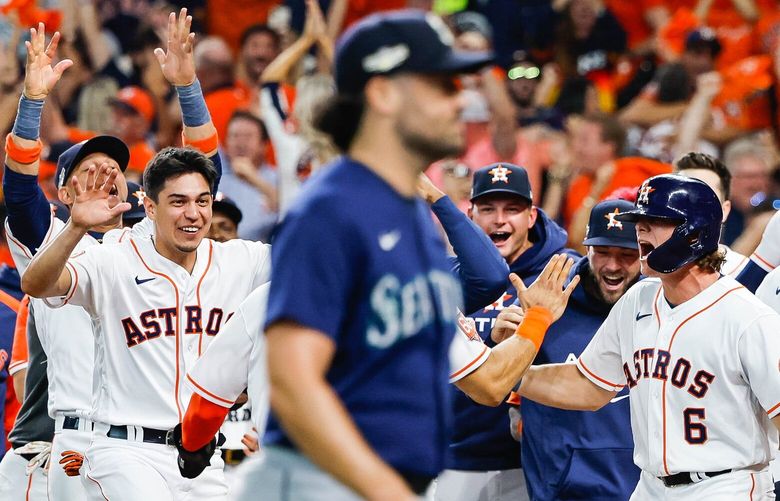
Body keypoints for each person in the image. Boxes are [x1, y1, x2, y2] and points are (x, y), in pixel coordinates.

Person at [260, 9, 499, 500]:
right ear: (384, 93)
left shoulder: (410, 213)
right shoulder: (330, 210)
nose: (463, 100)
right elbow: (292, 382)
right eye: (442, 86)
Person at [2, 10, 223, 499]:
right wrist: (34, 100)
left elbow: (204, 175)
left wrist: (188, 89)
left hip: (153, 441)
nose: (105, 175)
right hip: (73, 438)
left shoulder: (148, 241)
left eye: (113, 167)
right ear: (61, 192)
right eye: (88, 169)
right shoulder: (50, 238)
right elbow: (18, 189)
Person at [21, 144, 272, 500]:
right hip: (126, 451)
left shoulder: (241, 260)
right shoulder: (113, 260)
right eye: (178, 202)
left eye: (202, 201)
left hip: (200, 460)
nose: (193, 214)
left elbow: (311, 266)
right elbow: (36, 284)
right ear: (150, 207)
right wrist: (76, 226)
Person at [517, 174, 780, 499]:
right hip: (650, 487)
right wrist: (507, 373)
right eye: (639, 220)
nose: (640, 229)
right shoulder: (638, 300)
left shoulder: (748, 318)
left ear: (694, 233)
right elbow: (588, 385)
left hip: (727, 486)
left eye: (654, 221)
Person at [428, 162, 578, 501]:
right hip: (457, 456)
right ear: (470, 214)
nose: (499, 219)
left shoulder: (560, 272)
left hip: (532, 460)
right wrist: (489, 344)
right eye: (488, 209)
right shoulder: (450, 276)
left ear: (531, 216)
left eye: (512, 209)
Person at [506, 199, 642, 500]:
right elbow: (497, 377)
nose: (612, 265)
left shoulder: (658, 305)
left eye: (627, 254)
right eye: (602, 252)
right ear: (586, 249)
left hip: (646, 488)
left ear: (645, 251)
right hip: (562, 488)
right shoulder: (548, 302)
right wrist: (503, 337)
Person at [674, 152, 747, 276]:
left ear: (724, 210)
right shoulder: (649, 273)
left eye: (703, 196)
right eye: (682, 194)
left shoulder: (747, 273)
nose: (691, 204)